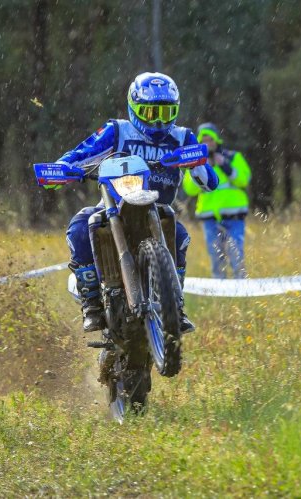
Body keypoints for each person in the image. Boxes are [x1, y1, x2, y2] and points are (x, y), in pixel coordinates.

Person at [52, 72, 219, 333]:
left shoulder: (183, 137)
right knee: (81, 226)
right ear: (134, 108)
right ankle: (91, 303)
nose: (159, 121)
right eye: (151, 113)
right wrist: (62, 168)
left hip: (158, 210)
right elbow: (82, 153)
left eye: (165, 113)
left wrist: (196, 165)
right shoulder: (117, 130)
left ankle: (175, 306)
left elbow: (210, 182)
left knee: (181, 235)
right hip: (114, 207)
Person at [183, 123, 251, 279]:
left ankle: (241, 290)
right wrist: (201, 170)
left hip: (234, 217)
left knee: (236, 255)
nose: (207, 143)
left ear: (217, 140)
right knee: (215, 257)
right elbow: (189, 189)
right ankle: (220, 295)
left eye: (210, 140)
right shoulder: (196, 163)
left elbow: (244, 180)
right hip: (210, 220)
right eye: (204, 140)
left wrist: (225, 165)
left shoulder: (233, 157)